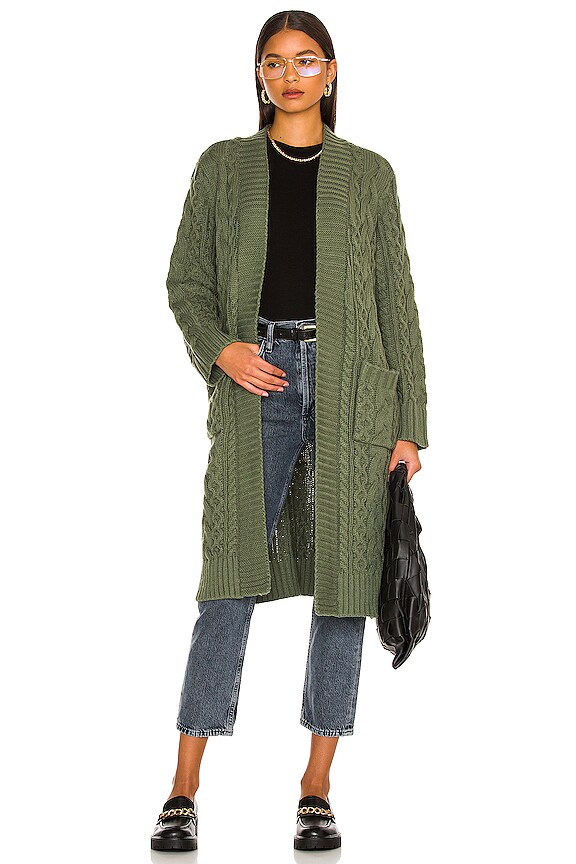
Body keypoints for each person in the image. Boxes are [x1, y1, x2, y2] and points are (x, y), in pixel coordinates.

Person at [151, 9, 428, 853]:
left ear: (332, 72)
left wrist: (411, 423)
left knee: (345, 587)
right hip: (255, 380)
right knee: (228, 581)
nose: (291, 75)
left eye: (307, 61)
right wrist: (223, 349)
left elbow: (397, 301)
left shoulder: (370, 174)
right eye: (274, 62)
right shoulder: (222, 166)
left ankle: (316, 788)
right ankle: (182, 788)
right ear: (259, 76)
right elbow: (185, 281)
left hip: (354, 393)